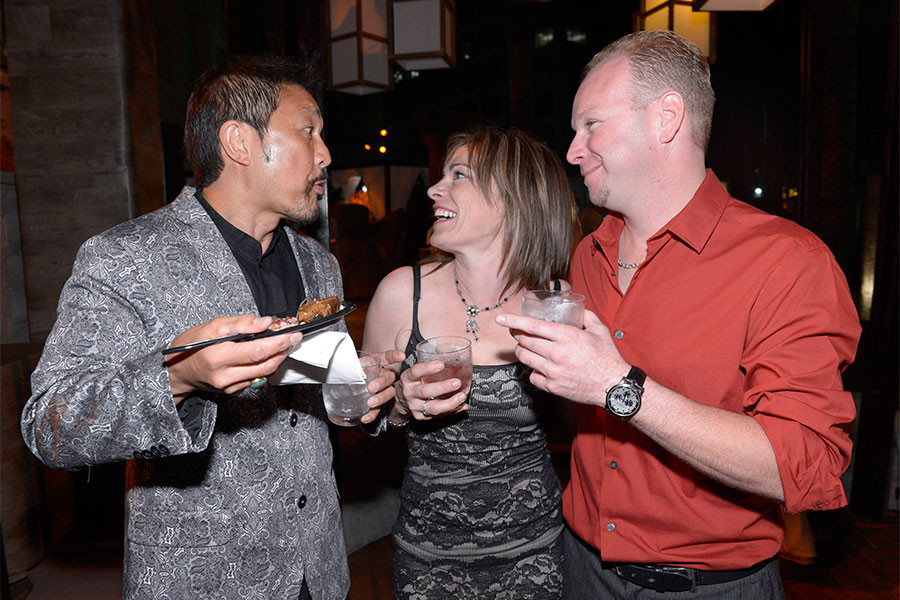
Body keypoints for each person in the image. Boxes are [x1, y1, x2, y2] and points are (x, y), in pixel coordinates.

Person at [21, 56, 402, 600]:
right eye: (309, 130)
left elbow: (306, 410)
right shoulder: (125, 258)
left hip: (318, 573)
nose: (326, 154)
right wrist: (177, 377)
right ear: (239, 143)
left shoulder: (320, 264)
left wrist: (359, 396)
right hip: (201, 580)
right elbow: (49, 425)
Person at [497, 31, 861, 598]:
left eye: (591, 125)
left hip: (711, 587)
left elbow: (805, 464)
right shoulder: (588, 255)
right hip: (580, 568)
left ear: (666, 118)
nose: (572, 150)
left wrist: (618, 386)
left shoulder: (787, 261)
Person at [362, 126, 575, 599]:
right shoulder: (401, 293)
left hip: (535, 556)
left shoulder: (557, 303)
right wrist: (398, 402)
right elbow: (364, 414)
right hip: (428, 559)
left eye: (458, 175)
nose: (436, 189)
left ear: (514, 199)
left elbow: (582, 428)